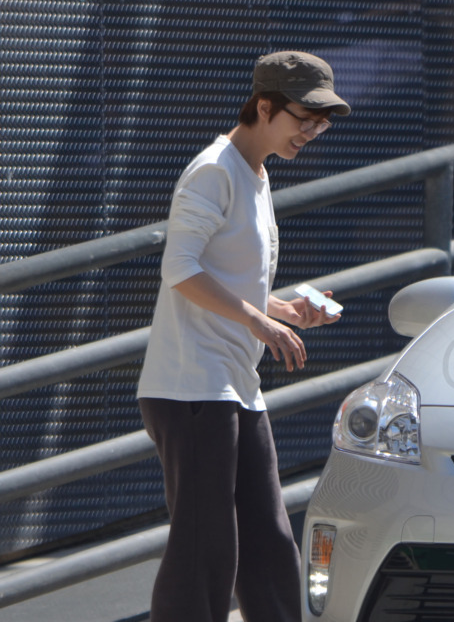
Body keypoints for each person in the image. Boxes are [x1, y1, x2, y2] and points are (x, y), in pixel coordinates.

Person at [136, 51, 350, 622]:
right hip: (192, 387)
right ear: (264, 106)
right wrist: (258, 320)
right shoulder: (215, 169)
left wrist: (284, 310)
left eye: (321, 121)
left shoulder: (256, 173)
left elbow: (228, 281)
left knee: (268, 539)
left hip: (231, 383)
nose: (312, 131)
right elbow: (179, 269)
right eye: (304, 117)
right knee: (205, 551)